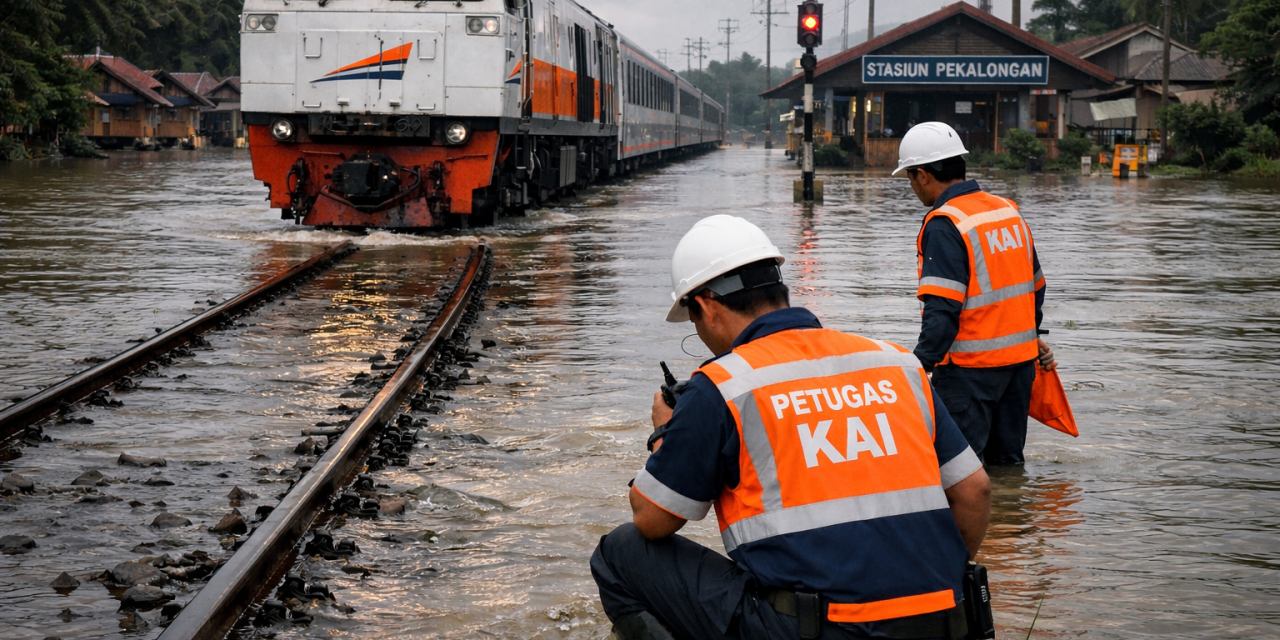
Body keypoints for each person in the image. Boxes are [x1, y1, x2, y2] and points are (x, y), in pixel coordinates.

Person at [591, 215, 992, 640]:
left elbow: (653, 519)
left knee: (619, 554)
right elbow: (974, 491)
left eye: (692, 318)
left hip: (818, 631)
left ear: (706, 306)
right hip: (944, 622)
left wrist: (663, 436)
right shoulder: (897, 364)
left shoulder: (721, 387)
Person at [893, 122, 1057, 466]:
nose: (913, 187)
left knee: (962, 474)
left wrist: (916, 367)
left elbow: (943, 311)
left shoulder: (944, 223)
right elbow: (1036, 289)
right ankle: (1013, 518)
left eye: (909, 178)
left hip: (970, 375)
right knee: (1008, 468)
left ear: (922, 175)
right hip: (1019, 369)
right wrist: (1031, 338)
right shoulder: (1006, 210)